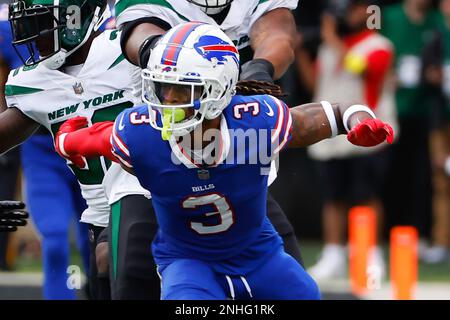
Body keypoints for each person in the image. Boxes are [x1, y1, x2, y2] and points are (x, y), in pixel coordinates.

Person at [55, 23, 394, 299]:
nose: (167, 102)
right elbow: (91, 139)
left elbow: (326, 115)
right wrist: (67, 139)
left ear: (218, 91)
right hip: (187, 262)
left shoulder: (257, 123)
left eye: (181, 91)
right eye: (162, 88)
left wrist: (358, 118)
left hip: (258, 254)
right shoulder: (141, 134)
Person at [102, 0, 304, 299]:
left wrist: (259, 67)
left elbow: (280, 35)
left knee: (283, 267)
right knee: (132, 272)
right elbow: (139, 38)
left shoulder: (255, 120)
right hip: (156, 148)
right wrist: (178, 57)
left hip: (231, 150)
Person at [0, 0, 148, 299]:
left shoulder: (125, 48)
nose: (30, 35)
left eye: (39, 23)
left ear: (74, 18)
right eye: (24, 24)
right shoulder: (32, 84)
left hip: (153, 205)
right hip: (100, 222)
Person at [305, 0, 397, 281]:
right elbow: (316, 86)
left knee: (366, 197)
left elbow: (358, 67)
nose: (352, 13)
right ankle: (334, 254)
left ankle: (370, 255)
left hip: (368, 134)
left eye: (359, 8)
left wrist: (331, 38)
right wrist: (300, 51)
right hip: (332, 135)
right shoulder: (327, 48)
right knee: (333, 198)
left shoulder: (379, 45)